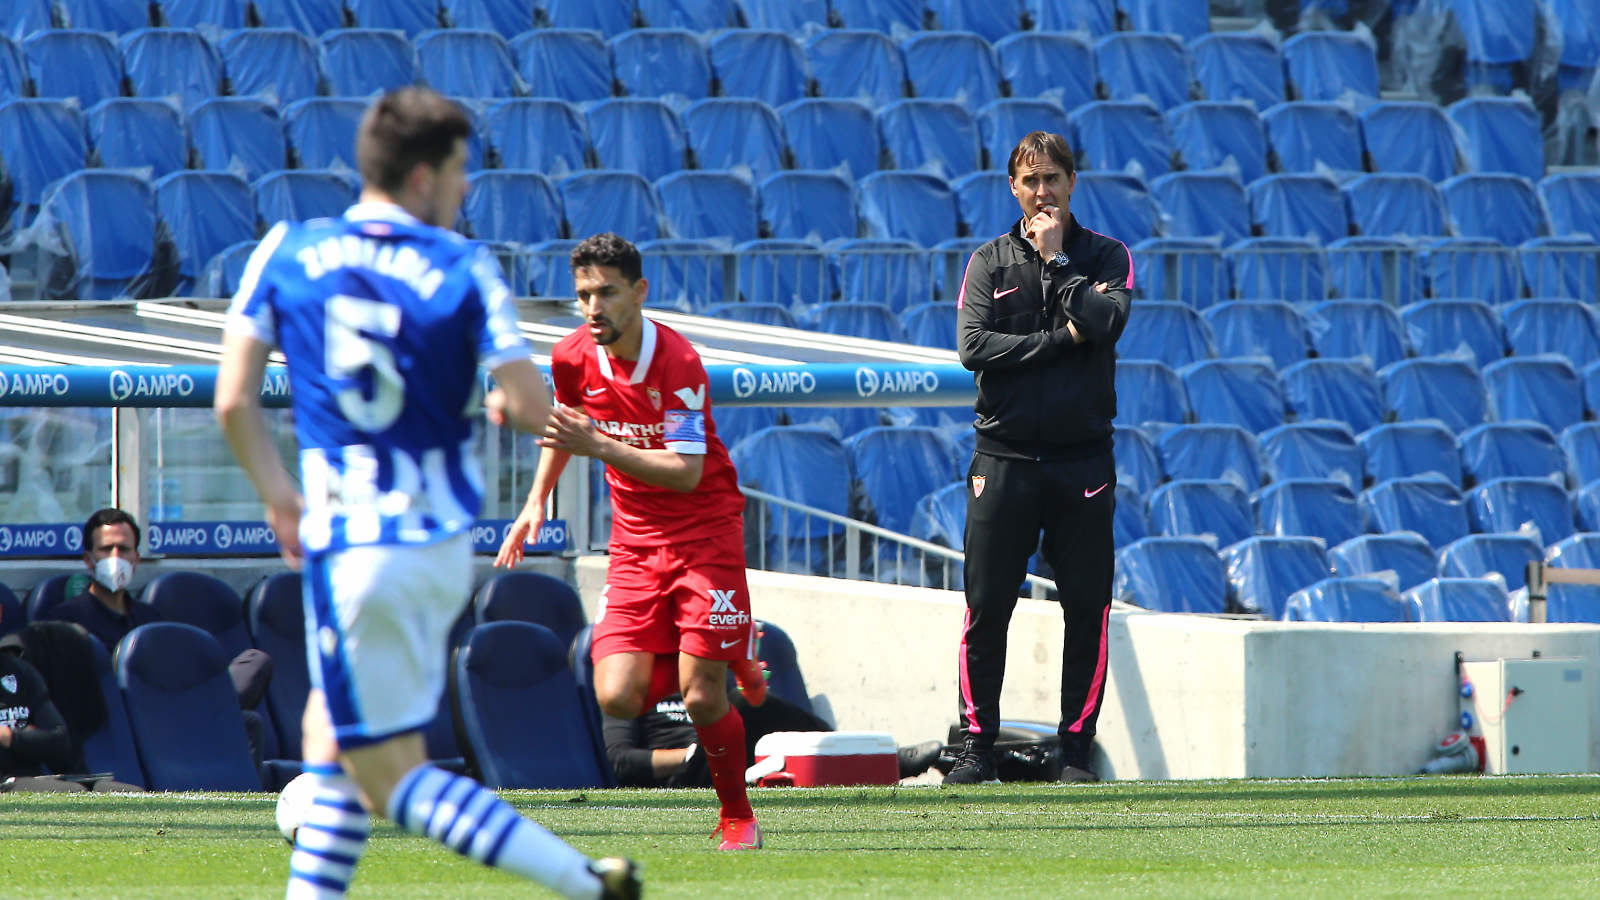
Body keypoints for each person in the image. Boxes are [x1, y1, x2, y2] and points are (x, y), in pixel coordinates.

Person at [215, 87, 639, 900]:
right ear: (421, 176)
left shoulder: (287, 249)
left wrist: (278, 493)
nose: (466, 186)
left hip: (356, 543)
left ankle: (586, 883)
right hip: (439, 545)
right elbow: (526, 407)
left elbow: (233, 399)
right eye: (459, 170)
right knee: (334, 746)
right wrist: (488, 403)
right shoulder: (464, 265)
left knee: (382, 770)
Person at [495, 232, 766, 851]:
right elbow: (567, 430)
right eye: (584, 294)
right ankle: (727, 651)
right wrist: (536, 500)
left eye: (607, 293)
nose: (594, 307)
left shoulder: (677, 362)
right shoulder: (570, 358)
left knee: (701, 700)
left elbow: (686, 471)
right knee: (616, 693)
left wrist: (604, 447)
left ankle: (736, 815)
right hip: (636, 542)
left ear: (639, 292)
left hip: (704, 534)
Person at [948, 131, 1133, 786]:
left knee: (1087, 609)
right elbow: (972, 348)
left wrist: (1058, 264)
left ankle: (1076, 751)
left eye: (1052, 178)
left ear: (1072, 182)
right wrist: (1061, 341)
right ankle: (976, 746)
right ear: (1012, 188)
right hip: (1001, 458)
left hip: (1083, 461)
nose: (1042, 191)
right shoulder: (989, 261)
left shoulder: (1106, 255)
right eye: (1029, 181)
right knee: (986, 606)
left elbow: (1107, 325)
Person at [604, 687, 945, 789]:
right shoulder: (630, 689)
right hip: (688, 771)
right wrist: (693, 754)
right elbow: (620, 761)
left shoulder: (705, 680)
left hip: (741, 758)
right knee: (741, 705)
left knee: (751, 705)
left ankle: (871, 758)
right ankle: (874, 759)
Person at [0, 602, 75, 791]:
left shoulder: (20, 671)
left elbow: (60, 744)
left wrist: (10, 737)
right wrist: (27, 734)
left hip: (31, 779)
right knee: (72, 793)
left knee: (126, 792)